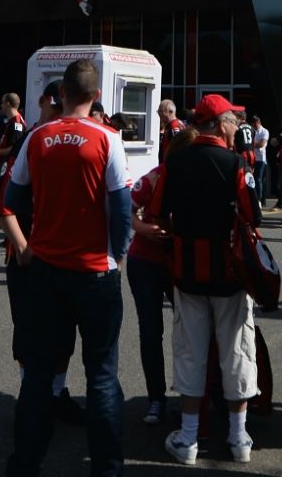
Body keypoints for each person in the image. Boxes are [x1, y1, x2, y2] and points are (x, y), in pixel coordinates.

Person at [3, 58, 133, 477]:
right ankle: (107, 469)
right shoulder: (108, 139)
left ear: (60, 94)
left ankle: (25, 464)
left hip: (46, 270)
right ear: (96, 96)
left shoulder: (37, 137)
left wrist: (30, 245)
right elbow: (122, 208)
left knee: (39, 374)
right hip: (95, 271)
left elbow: (14, 202)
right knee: (101, 375)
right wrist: (117, 252)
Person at [152, 95, 261, 465]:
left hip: (186, 273)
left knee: (190, 352)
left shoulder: (175, 161)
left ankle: (188, 438)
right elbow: (253, 216)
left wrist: (181, 233)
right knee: (236, 351)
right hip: (229, 274)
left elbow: (157, 214)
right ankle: (238, 437)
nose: (236, 127)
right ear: (219, 124)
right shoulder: (235, 163)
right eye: (232, 120)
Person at [128, 126, 183, 427]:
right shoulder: (154, 176)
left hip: (182, 263)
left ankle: (189, 399)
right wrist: (146, 229)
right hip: (145, 262)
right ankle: (156, 399)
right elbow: (127, 205)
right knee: (151, 332)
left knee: (189, 331)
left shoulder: (194, 176)